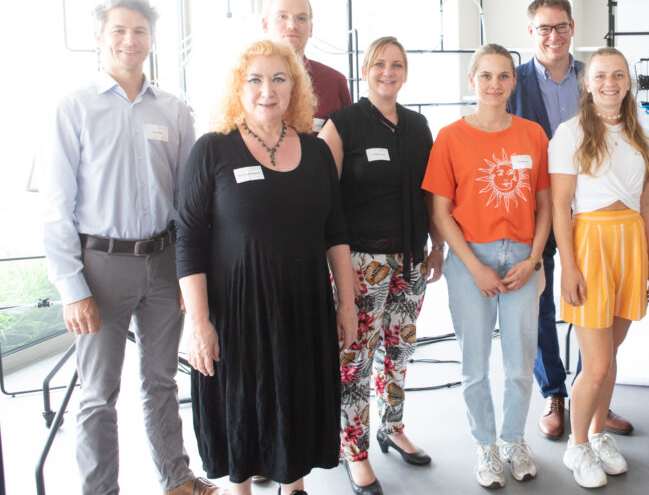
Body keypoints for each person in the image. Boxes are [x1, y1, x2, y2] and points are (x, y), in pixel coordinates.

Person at [39, 0, 217, 494]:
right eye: (118, 30)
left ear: (152, 39)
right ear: (99, 37)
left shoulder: (175, 110)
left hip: (163, 262)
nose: (129, 40)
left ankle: (177, 477)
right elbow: (56, 206)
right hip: (100, 265)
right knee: (98, 393)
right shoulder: (74, 109)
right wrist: (72, 287)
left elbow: (188, 200)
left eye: (139, 31)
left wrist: (189, 273)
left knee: (162, 381)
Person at [176, 39, 358, 494]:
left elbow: (335, 231)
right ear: (238, 86)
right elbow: (190, 241)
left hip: (304, 307)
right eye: (255, 79)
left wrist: (348, 303)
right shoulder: (212, 150)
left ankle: (293, 486)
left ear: (295, 88)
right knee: (244, 411)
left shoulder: (316, 152)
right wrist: (198, 324)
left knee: (295, 403)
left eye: (279, 79)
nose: (267, 90)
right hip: (238, 314)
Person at [423, 44, 552, 489]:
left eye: (503, 76)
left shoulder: (533, 135)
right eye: (486, 76)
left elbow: (545, 204)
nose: (494, 85)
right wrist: (474, 267)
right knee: (474, 364)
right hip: (467, 259)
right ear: (472, 80)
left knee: (520, 361)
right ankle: (486, 446)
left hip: (520, 256)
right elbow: (440, 212)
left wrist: (534, 260)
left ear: (514, 82)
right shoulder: (450, 137)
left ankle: (515, 440)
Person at [319, 37, 443, 495]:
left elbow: (430, 192)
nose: (387, 72)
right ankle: (354, 450)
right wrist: (338, 265)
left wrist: (437, 248)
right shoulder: (343, 124)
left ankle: (392, 426)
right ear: (365, 69)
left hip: (411, 258)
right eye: (379, 64)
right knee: (355, 358)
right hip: (360, 262)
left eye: (396, 65)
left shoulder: (417, 125)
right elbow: (325, 200)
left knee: (399, 349)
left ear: (405, 73)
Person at [508, 0, 634, 440]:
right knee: (541, 305)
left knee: (594, 307)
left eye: (560, 26)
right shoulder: (513, 81)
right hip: (536, 210)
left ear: (573, 28)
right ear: (531, 33)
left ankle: (594, 391)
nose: (553, 35)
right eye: (544, 28)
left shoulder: (595, 76)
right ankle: (555, 394)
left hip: (593, 216)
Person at [549, 47, 649, 488]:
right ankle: (576, 447)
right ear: (587, 82)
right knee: (595, 365)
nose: (610, 83)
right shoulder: (569, 133)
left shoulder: (641, 135)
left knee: (610, 358)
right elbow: (560, 207)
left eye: (618, 75)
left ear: (629, 81)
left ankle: (597, 435)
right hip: (590, 242)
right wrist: (569, 268)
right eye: (601, 75)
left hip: (630, 240)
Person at [262, 0, 351, 132]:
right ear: (265, 25)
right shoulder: (243, 81)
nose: (292, 25)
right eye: (282, 16)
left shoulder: (334, 83)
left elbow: (349, 143)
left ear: (311, 29)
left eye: (301, 18)